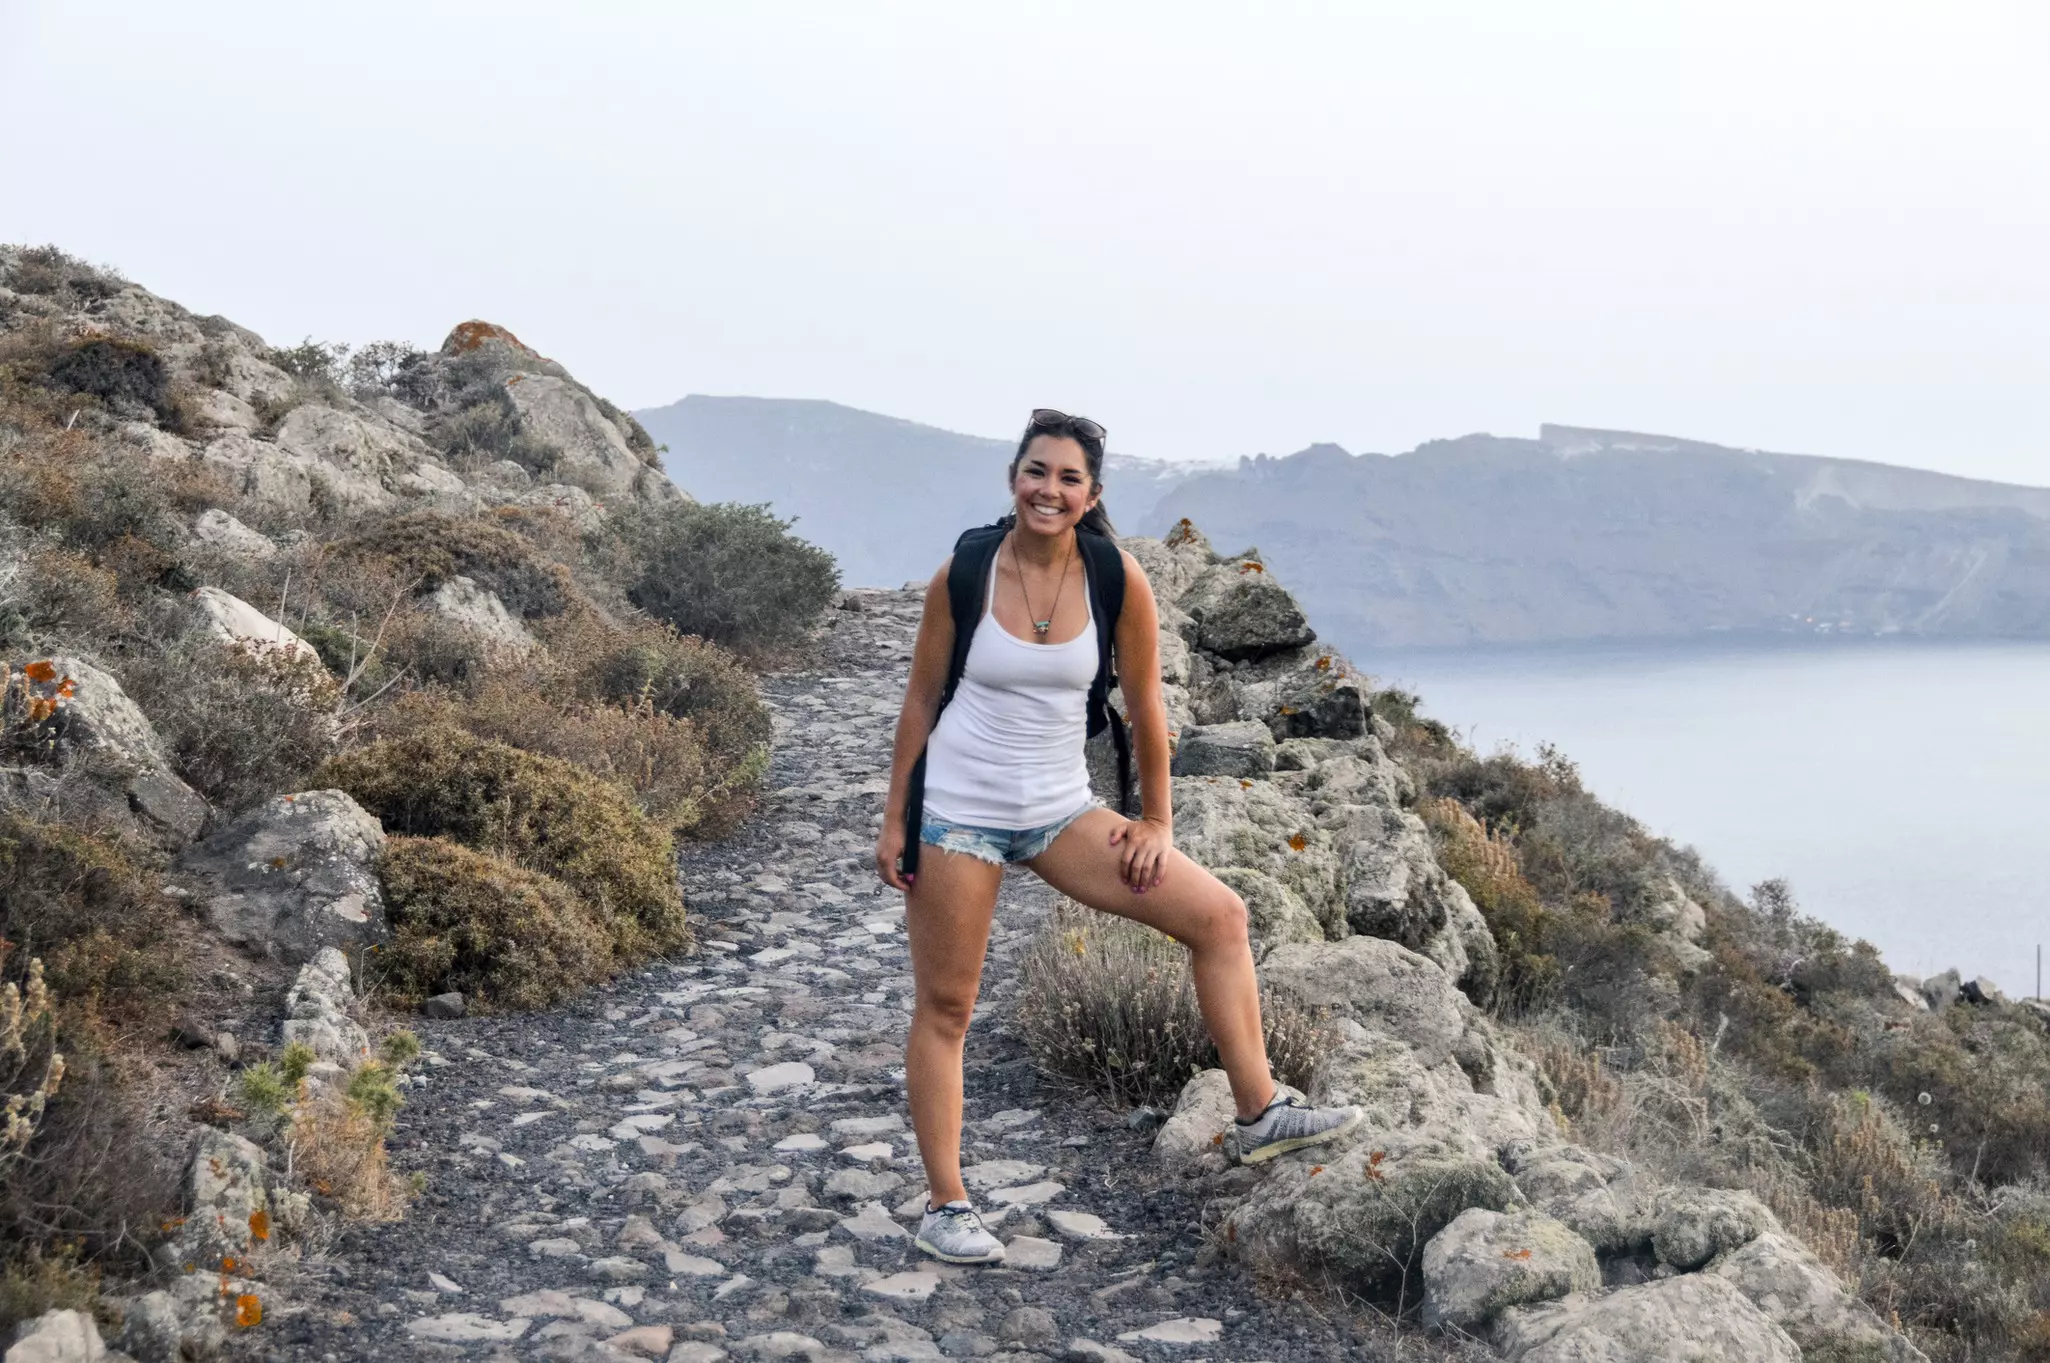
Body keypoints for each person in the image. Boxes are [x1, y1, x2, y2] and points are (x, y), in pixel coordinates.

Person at [874, 408, 1363, 1266]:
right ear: (1012, 478)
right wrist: (896, 819)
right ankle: (946, 1203)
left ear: (1091, 494)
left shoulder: (1116, 576)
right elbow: (921, 698)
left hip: (1062, 810)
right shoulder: (965, 571)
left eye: (1068, 478)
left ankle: (1260, 1112)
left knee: (1219, 916)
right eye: (1036, 471)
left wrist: (1156, 822)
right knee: (947, 1007)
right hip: (959, 807)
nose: (1048, 490)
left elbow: (1146, 710)